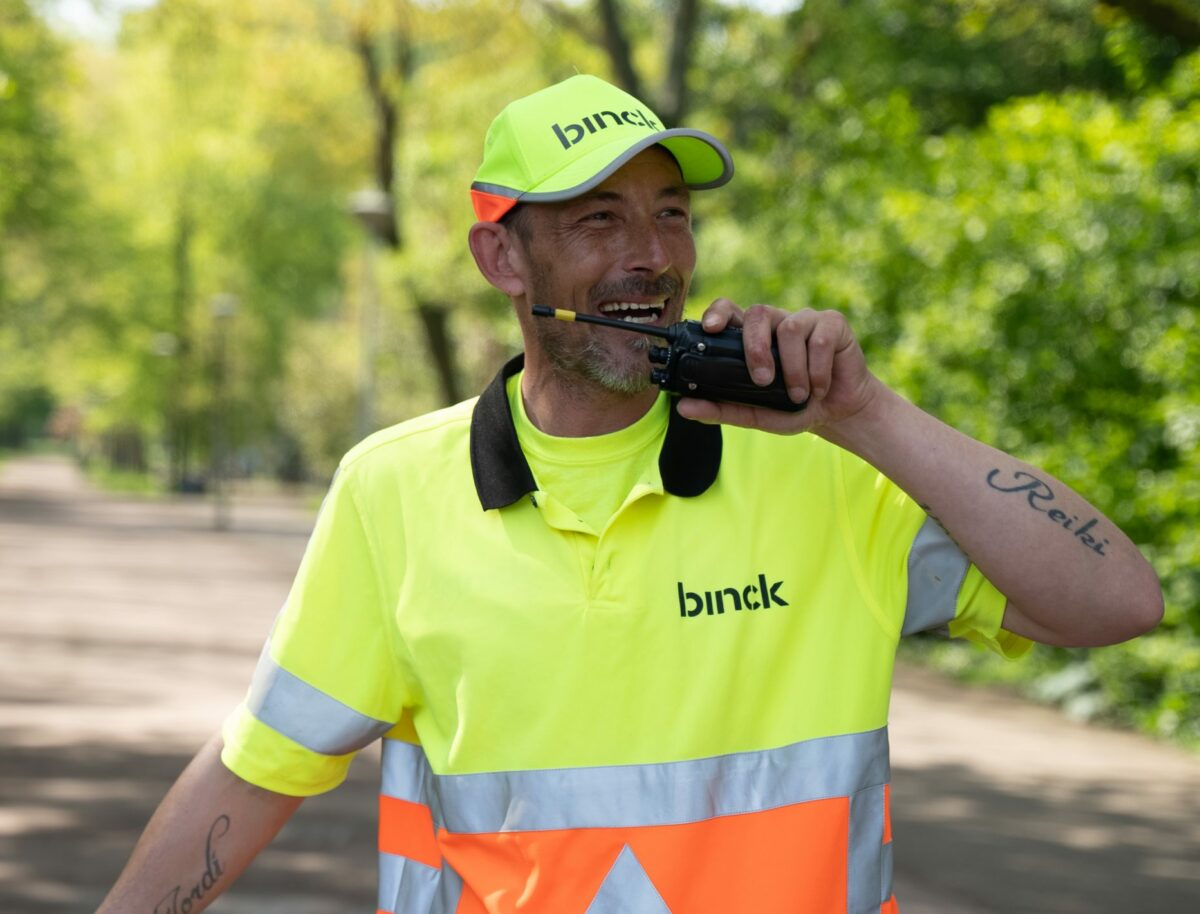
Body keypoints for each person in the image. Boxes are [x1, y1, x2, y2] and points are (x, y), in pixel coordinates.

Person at [97, 74, 1162, 914]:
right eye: (600, 220)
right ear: (502, 256)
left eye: (672, 214)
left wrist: (866, 413)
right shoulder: (393, 491)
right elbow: (257, 769)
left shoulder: (825, 461)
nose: (650, 256)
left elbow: (1116, 602)